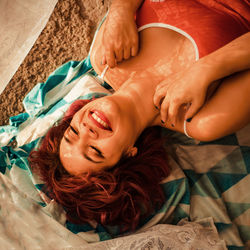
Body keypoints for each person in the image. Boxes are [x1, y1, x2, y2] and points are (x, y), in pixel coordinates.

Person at [29, 0, 250, 233]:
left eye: (72, 132)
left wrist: (120, 10)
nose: (86, 130)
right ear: (128, 154)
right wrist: (206, 69)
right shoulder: (203, 120)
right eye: (95, 151)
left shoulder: (103, 57)